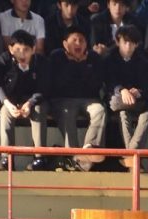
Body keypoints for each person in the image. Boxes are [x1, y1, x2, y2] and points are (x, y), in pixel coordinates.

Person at [47, 25, 106, 171]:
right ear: (65, 44)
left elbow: (95, 85)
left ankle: (89, 148)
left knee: (100, 110)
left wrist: (83, 64)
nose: (78, 44)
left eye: (82, 40)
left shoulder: (93, 57)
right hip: (63, 99)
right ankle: (74, 156)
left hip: (88, 99)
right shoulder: (57, 56)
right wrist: (74, 63)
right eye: (74, 40)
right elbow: (59, 84)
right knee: (68, 113)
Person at [0, 28, 50, 171]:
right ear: (11, 49)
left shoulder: (40, 62)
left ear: (34, 49)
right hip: (10, 99)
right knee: (5, 112)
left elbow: (44, 87)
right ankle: (6, 157)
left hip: (33, 100)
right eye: (17, 49)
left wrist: (30, 103)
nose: (22, 54)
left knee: (39, 110)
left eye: (26, 50)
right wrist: (7, 102)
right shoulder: (4, 59)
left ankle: (39, 157)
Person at [103, 24, 148, 165]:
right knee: (123, 113)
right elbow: (109, 81)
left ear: (137, 44)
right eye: (125, 42)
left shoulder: (142, 61)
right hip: (117, 99)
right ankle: (133, 157)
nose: (128, 46)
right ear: (118, 42)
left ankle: (131, 155)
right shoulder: (110, 59)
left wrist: (138, 91)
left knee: (147, 115)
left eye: (132, 43)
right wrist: (122, 90)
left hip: (137, 101)